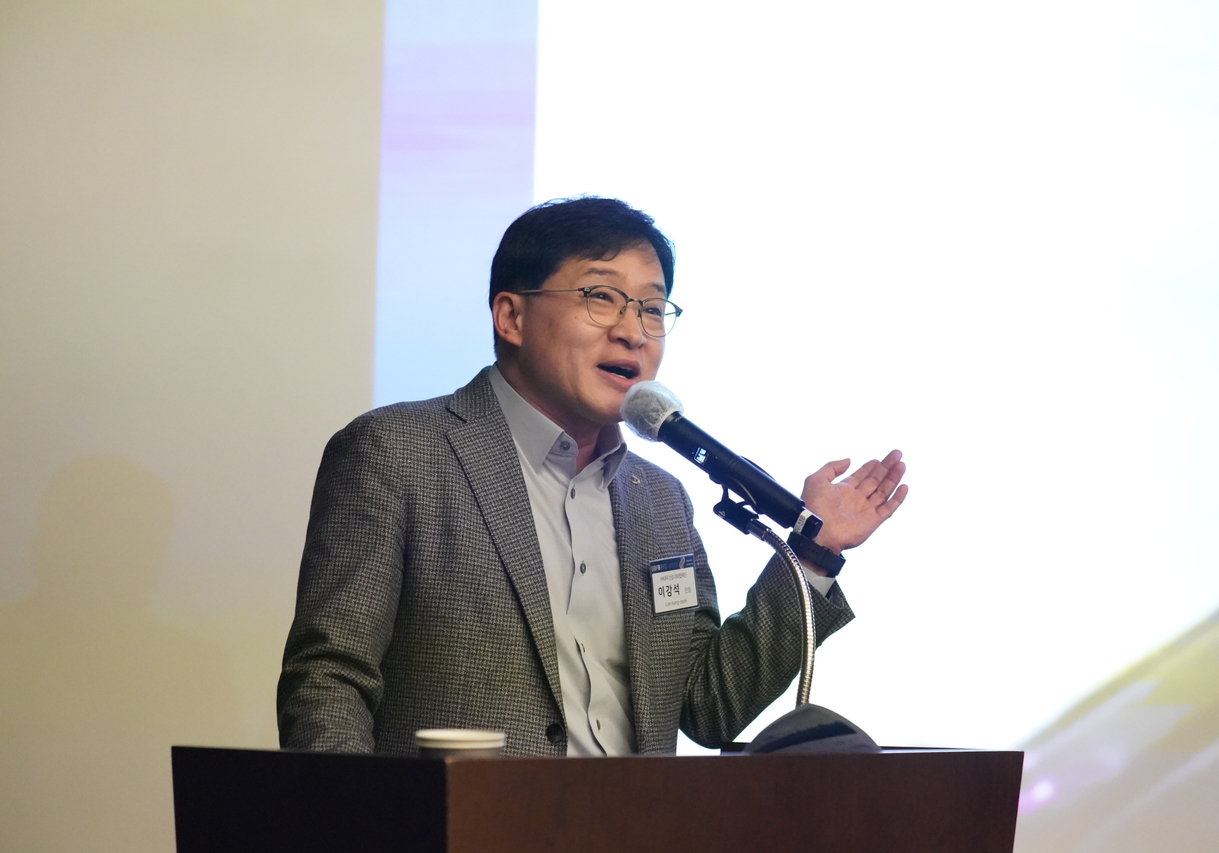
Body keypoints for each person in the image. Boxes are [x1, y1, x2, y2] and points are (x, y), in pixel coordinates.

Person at [277, 197, 907, 756]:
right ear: (511, 318)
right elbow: (329, 680)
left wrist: (815, 552)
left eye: (654, 308)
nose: (633, 330)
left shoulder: (660, 499)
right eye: (600, 296)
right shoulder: (397, 453)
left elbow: (707, 707)